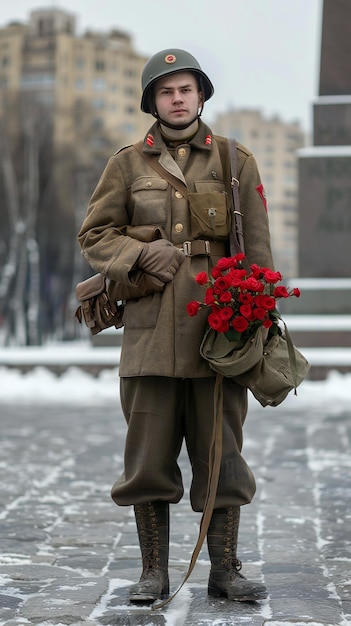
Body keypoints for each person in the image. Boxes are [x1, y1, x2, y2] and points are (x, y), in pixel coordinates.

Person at [78, 48, 274, 604]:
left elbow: (257, 254)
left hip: (220, 336)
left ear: (202, 95)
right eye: (166, 92)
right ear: (153, 102)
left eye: (186, 89)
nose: (178, 99)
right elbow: (94, 237)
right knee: (147, 459)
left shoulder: (237, 161)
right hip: (149, 338)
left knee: (223, 459)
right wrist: (141, 256)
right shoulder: (126, 165)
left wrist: (254, 323)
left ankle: (225, 569)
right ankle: (153, 573)